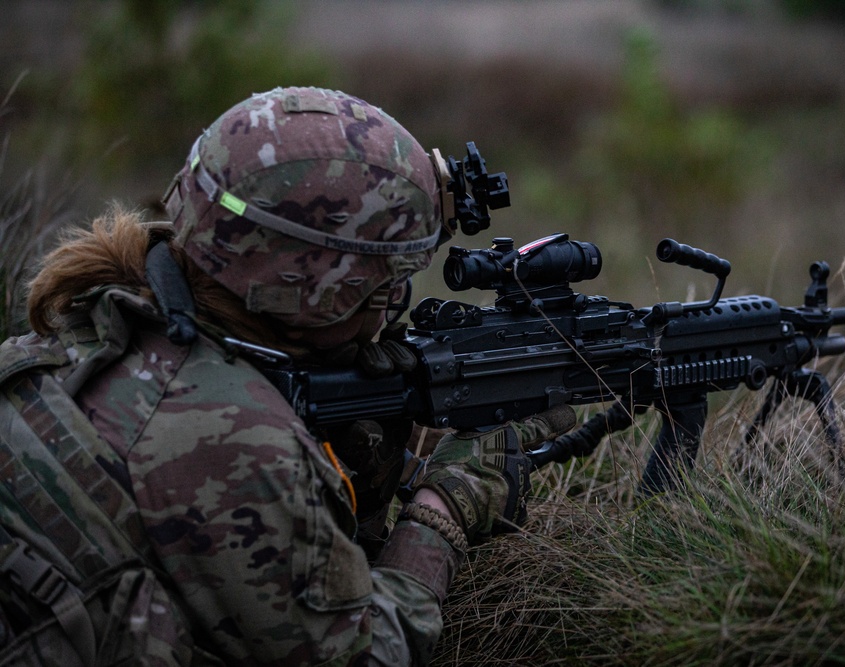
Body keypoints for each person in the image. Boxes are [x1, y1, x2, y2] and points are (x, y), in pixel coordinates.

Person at [0, 87, 575, 666]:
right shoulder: (236, 439)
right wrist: (442, 507)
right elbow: (364, 657)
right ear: (321, 294)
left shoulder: (99, 321)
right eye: (389, 280)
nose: (393, 303)